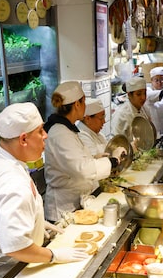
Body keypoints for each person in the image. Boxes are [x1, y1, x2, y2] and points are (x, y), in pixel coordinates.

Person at [0, 103, 88, 278]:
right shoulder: (12, 182)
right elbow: (15, 246)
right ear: (23, 139)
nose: (46, 136)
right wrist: (54, 255)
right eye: (40, 131)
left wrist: (35, 223)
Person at [43, 80, 114, 222]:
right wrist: (112, 162)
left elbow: (75, 160)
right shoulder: (60, 133)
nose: (85, 106)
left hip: (74, 203)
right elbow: (82, 169)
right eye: (84, 102)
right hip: (63, 209)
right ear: (77, 104)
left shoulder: (68, 129)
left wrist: (95, 157)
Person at [111, 76, 151, 141]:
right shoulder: (121, 115)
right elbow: (117, 142)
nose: (143, 97)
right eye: (139, 94)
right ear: (129, 95)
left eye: (145, 93)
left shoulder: (145, 108)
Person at [143, 66, 163, 134]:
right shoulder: (148, 91)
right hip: (153, 130)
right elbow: (150, 96)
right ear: (151, 80)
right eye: (156, 80)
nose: (159, 83)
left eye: (162, 80)